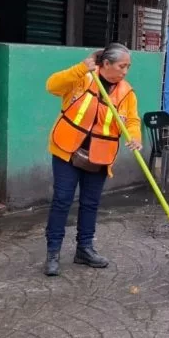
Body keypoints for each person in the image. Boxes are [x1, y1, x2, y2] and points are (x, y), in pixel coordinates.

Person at [44, 43, 141, 276]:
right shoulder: (83, 78)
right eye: (122, 66)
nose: (125, 71)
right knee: (62, 200)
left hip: (99, 156)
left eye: (128, 66)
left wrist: (136, 137)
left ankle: (84, 249)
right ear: (106, 64)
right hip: (68, 150)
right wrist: (80, 68)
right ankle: (53, 252)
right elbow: (52, 85)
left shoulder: (126, 92)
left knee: (90, 204)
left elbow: (133, 121)